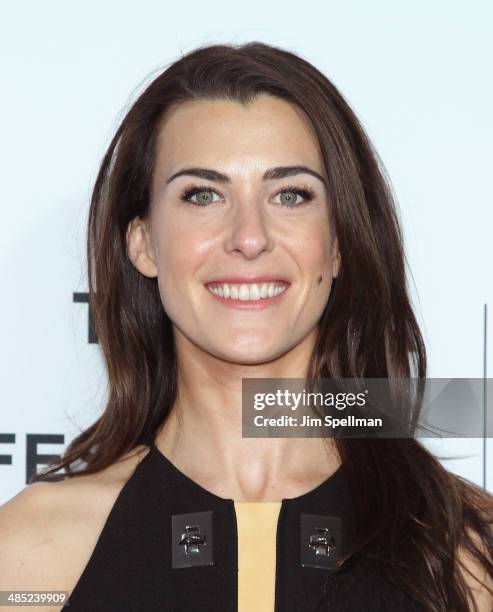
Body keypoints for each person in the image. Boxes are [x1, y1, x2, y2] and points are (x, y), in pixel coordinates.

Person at [1, 41, 492, 612]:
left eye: (291, 194)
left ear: (337, 245)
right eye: (202, 195)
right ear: (143, 243)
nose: (250, 236)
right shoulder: (32, 557)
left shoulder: (465, 553)